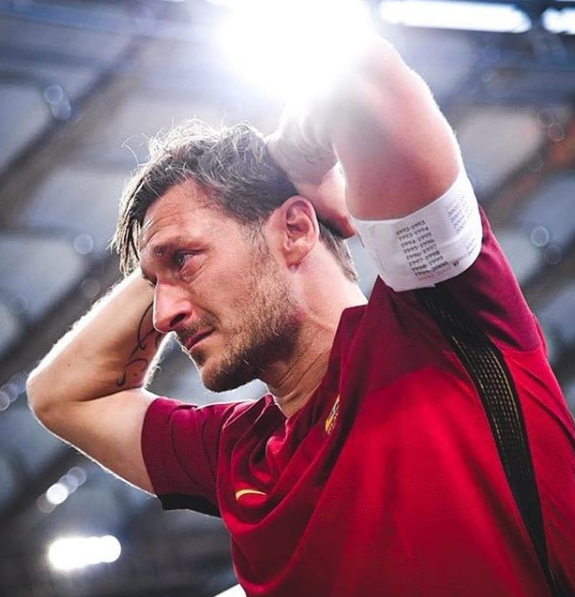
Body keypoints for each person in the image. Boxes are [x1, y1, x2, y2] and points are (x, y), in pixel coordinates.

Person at [27, 35, 575, 597]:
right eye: (153, 286)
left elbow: (362, 71)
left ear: (294, 230)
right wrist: (158, 262)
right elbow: (59, 395)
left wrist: (293, 158)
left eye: (185, 260)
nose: (162, 315)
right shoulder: (237, 455)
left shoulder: (439, 316)